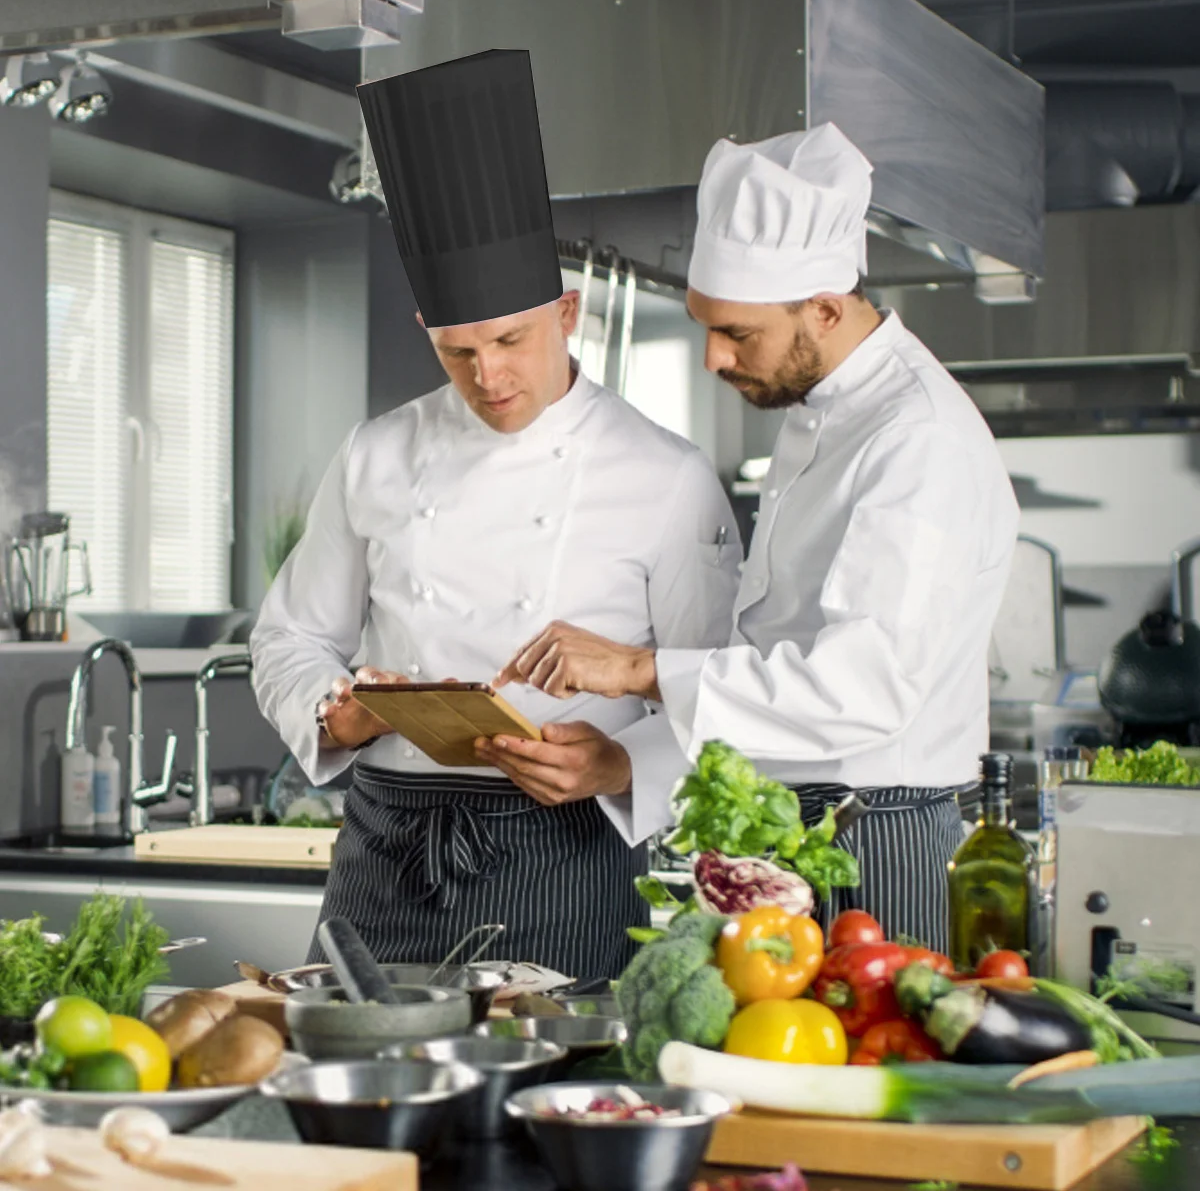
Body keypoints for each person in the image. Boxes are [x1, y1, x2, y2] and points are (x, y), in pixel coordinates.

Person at [249, 50, 739, 980]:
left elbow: (716, 690)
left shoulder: (665, 478)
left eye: (511, 340)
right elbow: (288, 637)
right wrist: (336, 713)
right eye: (458, 352)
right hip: (386, 849)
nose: (490, 378)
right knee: (352, 1094)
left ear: (569, 311)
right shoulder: (376, 453)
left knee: (542, 1100)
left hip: (565, 853)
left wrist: (618, 768)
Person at [493, 124, 1020, 951]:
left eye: (738, 333)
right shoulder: (824, 411)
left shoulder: (918, 437)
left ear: (824, 308)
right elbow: (771, 646)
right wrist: (633, 753)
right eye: (706, 326)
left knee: (863, 1076)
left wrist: (638, 668)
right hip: (791, 823)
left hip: (869, 840)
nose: (712, 357)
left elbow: (865, 688)